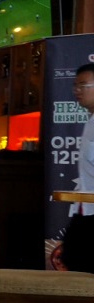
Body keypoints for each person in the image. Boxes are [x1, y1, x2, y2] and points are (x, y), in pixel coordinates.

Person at [61, 62, 94, 274]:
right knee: (73, 259)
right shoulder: (90, 121)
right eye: (75, 86)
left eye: (83, 85)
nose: (77, 91)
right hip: (85, 206)